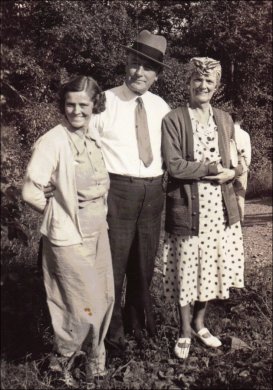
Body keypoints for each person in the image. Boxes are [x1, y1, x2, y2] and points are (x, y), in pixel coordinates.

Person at [22, 76, 114, 384]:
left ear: (94, 106)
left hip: (98, 232)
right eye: (70, 104)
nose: (76, 111)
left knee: (102, 298)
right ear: (63, 105)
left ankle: (94, 365)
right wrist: (55, 211)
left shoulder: (93, 138)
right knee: (75, 303)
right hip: (67, 237)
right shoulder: (53, 140)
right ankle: (59, 367)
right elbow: (30, 190)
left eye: (83, 105)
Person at [90, 30, 170, 353]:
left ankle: (139, 327)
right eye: (135, 63)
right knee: (113, 267)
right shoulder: (105, 102)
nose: (139, 72)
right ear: (127, 62)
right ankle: (111, 337)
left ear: (156, 75)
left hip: (152, 194)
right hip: (116, 192)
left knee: (144, 265)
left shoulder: (162, 107)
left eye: (147, 68)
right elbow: (85, 148)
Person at [161, 57, 245, 359]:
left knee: (209, 267)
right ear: (188, 83)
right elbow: (174, 166)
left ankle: (199, 323)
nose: (203, 85)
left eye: (209, 81)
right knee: (186, 268)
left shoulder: (224, 119)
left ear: (217, 86)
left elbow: (237, 163)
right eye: (198, 80)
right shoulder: (173, 119)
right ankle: (183, 330)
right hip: (187, 206)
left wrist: (232, 173)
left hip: (219, 209)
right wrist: (211, 170)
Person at [232, 112, 251, 221]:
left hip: (229, 163)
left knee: (228, 192)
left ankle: (231, 219)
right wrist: (247, 165)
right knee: (240, 193)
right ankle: (240, 218)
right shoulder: (245, 134)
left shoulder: (226, 133)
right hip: (242, 161)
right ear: (241, 121)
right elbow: (248, 152)